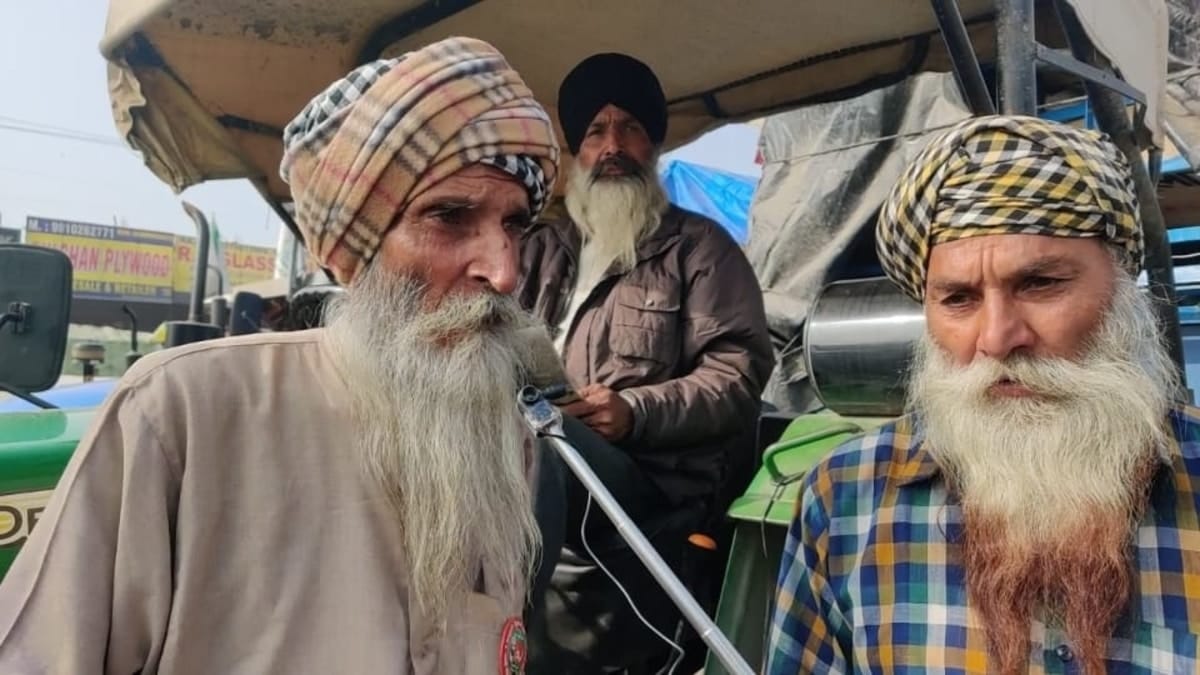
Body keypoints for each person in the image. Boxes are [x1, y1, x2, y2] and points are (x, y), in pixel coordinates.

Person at [0, 36, 559, 675]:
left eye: (514, 225)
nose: (504, 270)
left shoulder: (508, 432)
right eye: (449, 217)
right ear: (356, 247)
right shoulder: (182, 410)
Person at [765, 115, 1200, 674]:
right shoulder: (846, 499)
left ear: (1122, 286)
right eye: (958, 299)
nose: (997, 338)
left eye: (1040, 284)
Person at [517, 52, 773, 670]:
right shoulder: (537, 249)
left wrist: (634, 410)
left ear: (652, 144)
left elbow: (737, 371)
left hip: (650, 479)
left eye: (630, 127)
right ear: (576, 149)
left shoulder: (700, 249)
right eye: (597, 130)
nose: (613, 145)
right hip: (533, 452)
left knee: (549, 457)